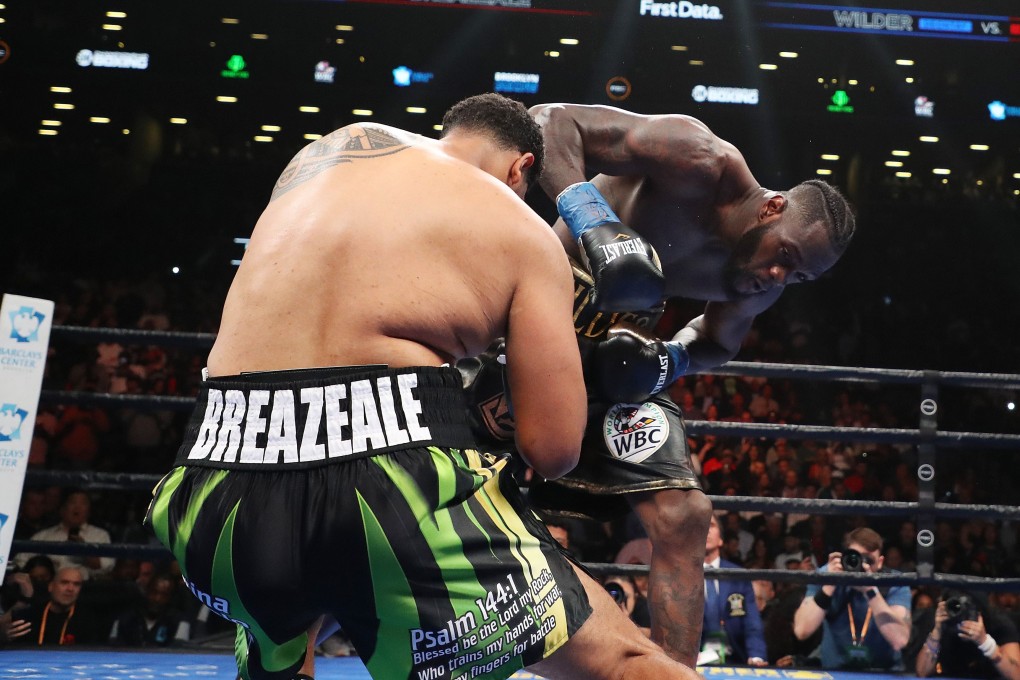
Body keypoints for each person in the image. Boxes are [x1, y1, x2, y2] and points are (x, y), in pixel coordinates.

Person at [144, 93, 701, 680]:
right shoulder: (522, 230)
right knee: (624, 662)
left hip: (211, 480)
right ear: (520, 170)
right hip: (390, 474)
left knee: (283, 639)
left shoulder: (331, 150)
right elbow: (554, 451)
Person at [483, 102, 855, 666]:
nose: (781, 277)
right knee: (425, 479)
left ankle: (675, 675)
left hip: (617, 364)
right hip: (532, 322)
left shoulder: (759, 283)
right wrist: (597, 222)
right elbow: (553, 120)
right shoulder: (698, 158)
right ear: (773, 208)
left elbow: (718, 341)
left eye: (799, 276)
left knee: (684, 516)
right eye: (787, 256)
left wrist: (667, 363)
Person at [793, 527, 912, 670]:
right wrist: (829, 586)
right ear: (845, 556)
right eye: (856, 558)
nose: (863, 566)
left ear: (880, 562)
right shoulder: (826, 575)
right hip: (836, 671)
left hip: (883, 671)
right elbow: (802, 631)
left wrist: (870, 591)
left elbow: (899, 640)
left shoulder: (895, 583)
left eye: (869, 560)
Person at [701, 514, 767, 666]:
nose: (705, 530)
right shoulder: (682, 576)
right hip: (692, 661)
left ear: (721, 540)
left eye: (710, 525)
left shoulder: (738, 575)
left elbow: (752, 623)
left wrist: (756, 656)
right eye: (700, 525)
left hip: (734, 658)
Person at [915, 589, 1020, 679]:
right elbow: (922, 672)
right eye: (956, 608)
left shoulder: (998, 623)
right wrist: (937, 632)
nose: (962, 615)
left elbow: (1017, 675)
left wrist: (985, 643)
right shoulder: (942, 620)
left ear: (980, 612)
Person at [15, 488, 114, 579]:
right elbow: (20, 561)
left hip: (86, 589)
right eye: (73, 502)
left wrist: (86, 553)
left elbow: (108, 566)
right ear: (62, 509)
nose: (77, 507)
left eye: (83, 503)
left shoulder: (100, 535)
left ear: (89, 511)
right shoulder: (44, 536)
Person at [8, 565, 104, 646]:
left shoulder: (87, 620)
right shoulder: (31, 615)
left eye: (76, 584)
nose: (70, 589)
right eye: (64, 582)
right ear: (51, 586)